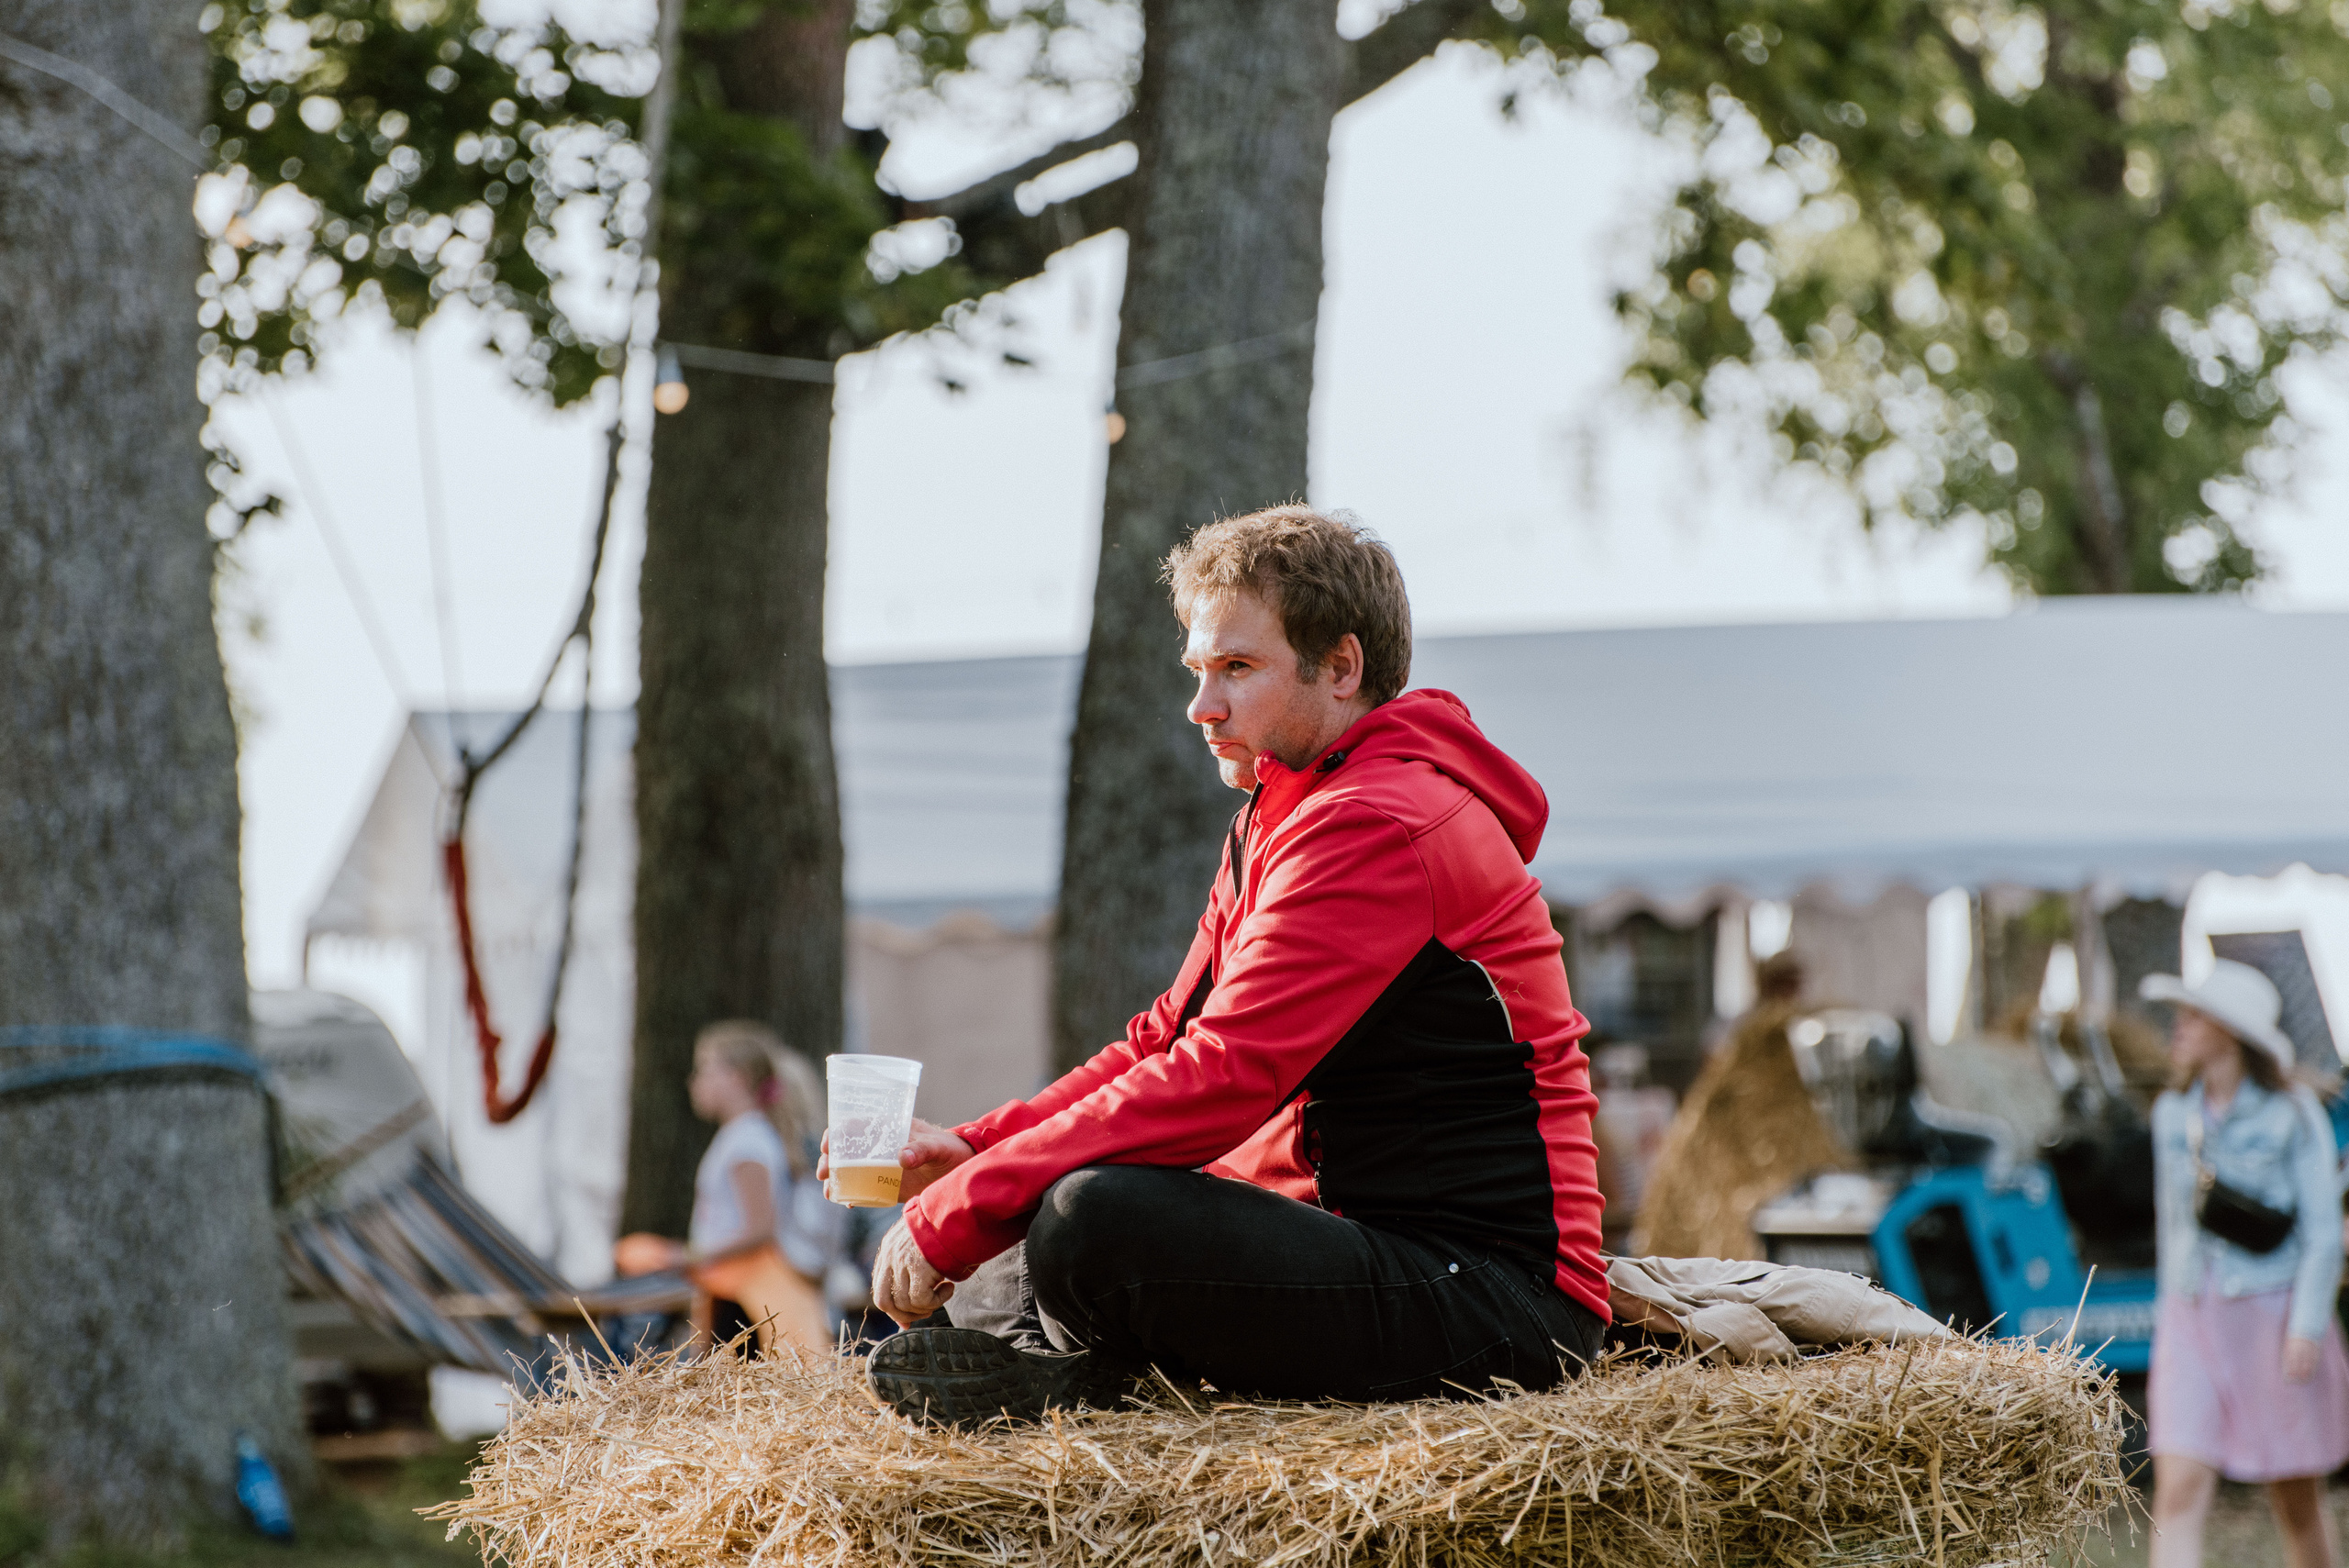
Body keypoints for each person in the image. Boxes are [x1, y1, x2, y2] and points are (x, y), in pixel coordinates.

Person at [821, 506, 1609, 1426]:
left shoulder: (1376, 823)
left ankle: (1072, 1382)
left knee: (1086, 1219)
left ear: (1342, 667)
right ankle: (1061, 1372)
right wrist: (975, 1150)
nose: (1202, 706)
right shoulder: (1281, 810)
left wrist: (963, 1205)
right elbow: (1163, 1038)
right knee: (1030, 1228)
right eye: (1198, 670)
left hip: (1493, 1299)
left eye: (1237, 668)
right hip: (1366, 1250)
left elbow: (1219, 1078)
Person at [2142, 959, 2347, 1568]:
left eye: (2195, 1014)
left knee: (2295, 1500)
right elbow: (2170, 1225)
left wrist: (2307, 1325)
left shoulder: (2294, 1115)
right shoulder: (2172, 1116)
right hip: (2191, 1315)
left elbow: (2321, 1233)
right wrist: (2167, 1316)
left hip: (2270, 1316)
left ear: (2230, 1031)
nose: (2179, 1026)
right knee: (2176, 1488)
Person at [616, 1020, 838, 1358]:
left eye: (705, 1070)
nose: (695, 1082)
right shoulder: (744, 1137)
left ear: (737, 1077)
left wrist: (681, 1256)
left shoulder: (747, 1141)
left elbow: (760, 1228)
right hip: (729, 1289)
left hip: (743, 1295)